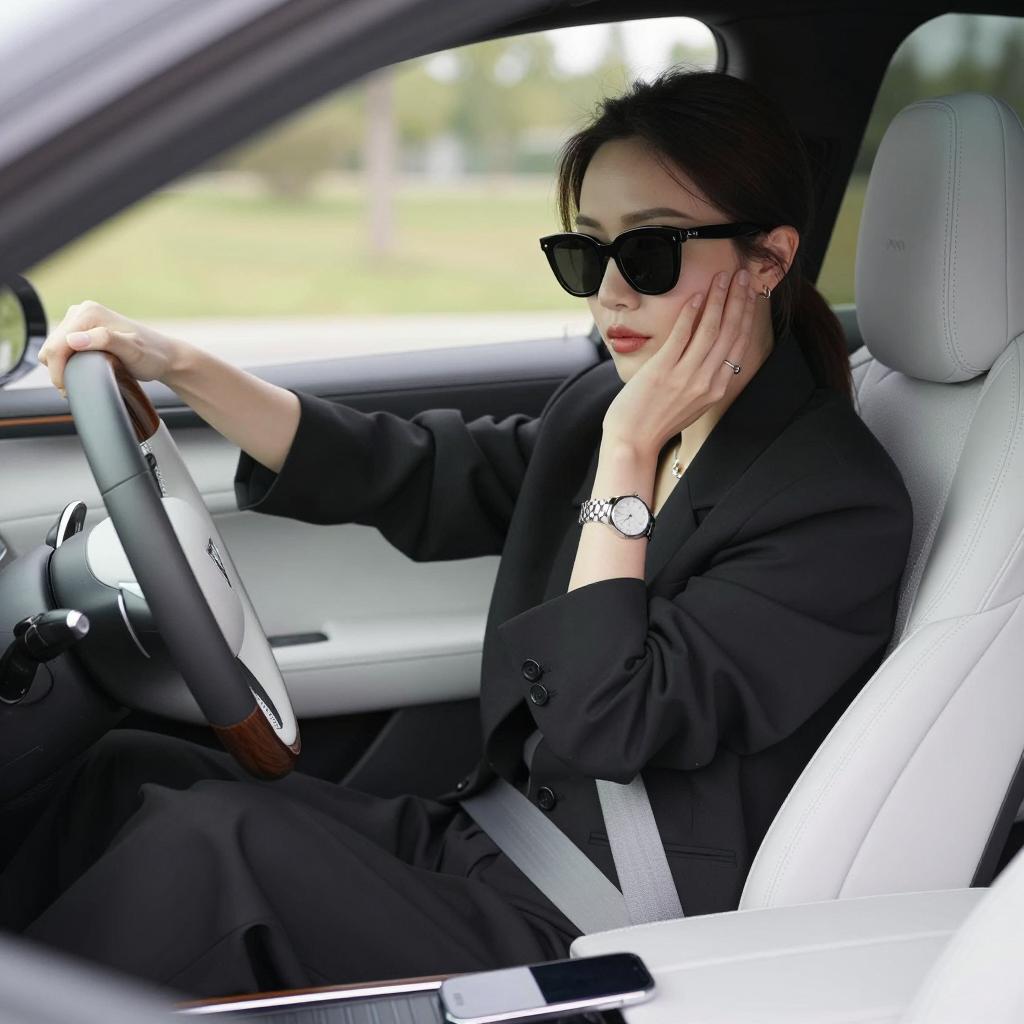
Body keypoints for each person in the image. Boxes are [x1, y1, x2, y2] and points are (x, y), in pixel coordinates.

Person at [0, 69, 912, 998]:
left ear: (768, 260)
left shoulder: (832, 508)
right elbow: (418, 471)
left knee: (208, 850)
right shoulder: (602, 406)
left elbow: (606, 721)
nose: (608, 294)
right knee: (120, 775)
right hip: (487, 839)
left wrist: (629, 452)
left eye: (649, 252)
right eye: (586, 253)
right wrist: (176, 364)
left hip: (597, 929)